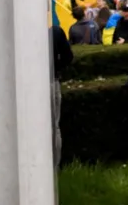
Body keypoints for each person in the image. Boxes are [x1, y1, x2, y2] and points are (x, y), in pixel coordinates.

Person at [51, 23, 73, 165]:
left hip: (26, 83)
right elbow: (68, 56)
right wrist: (57, 69)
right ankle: (54, 166)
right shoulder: (55, 31)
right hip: (51, 80)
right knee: (54, 126)